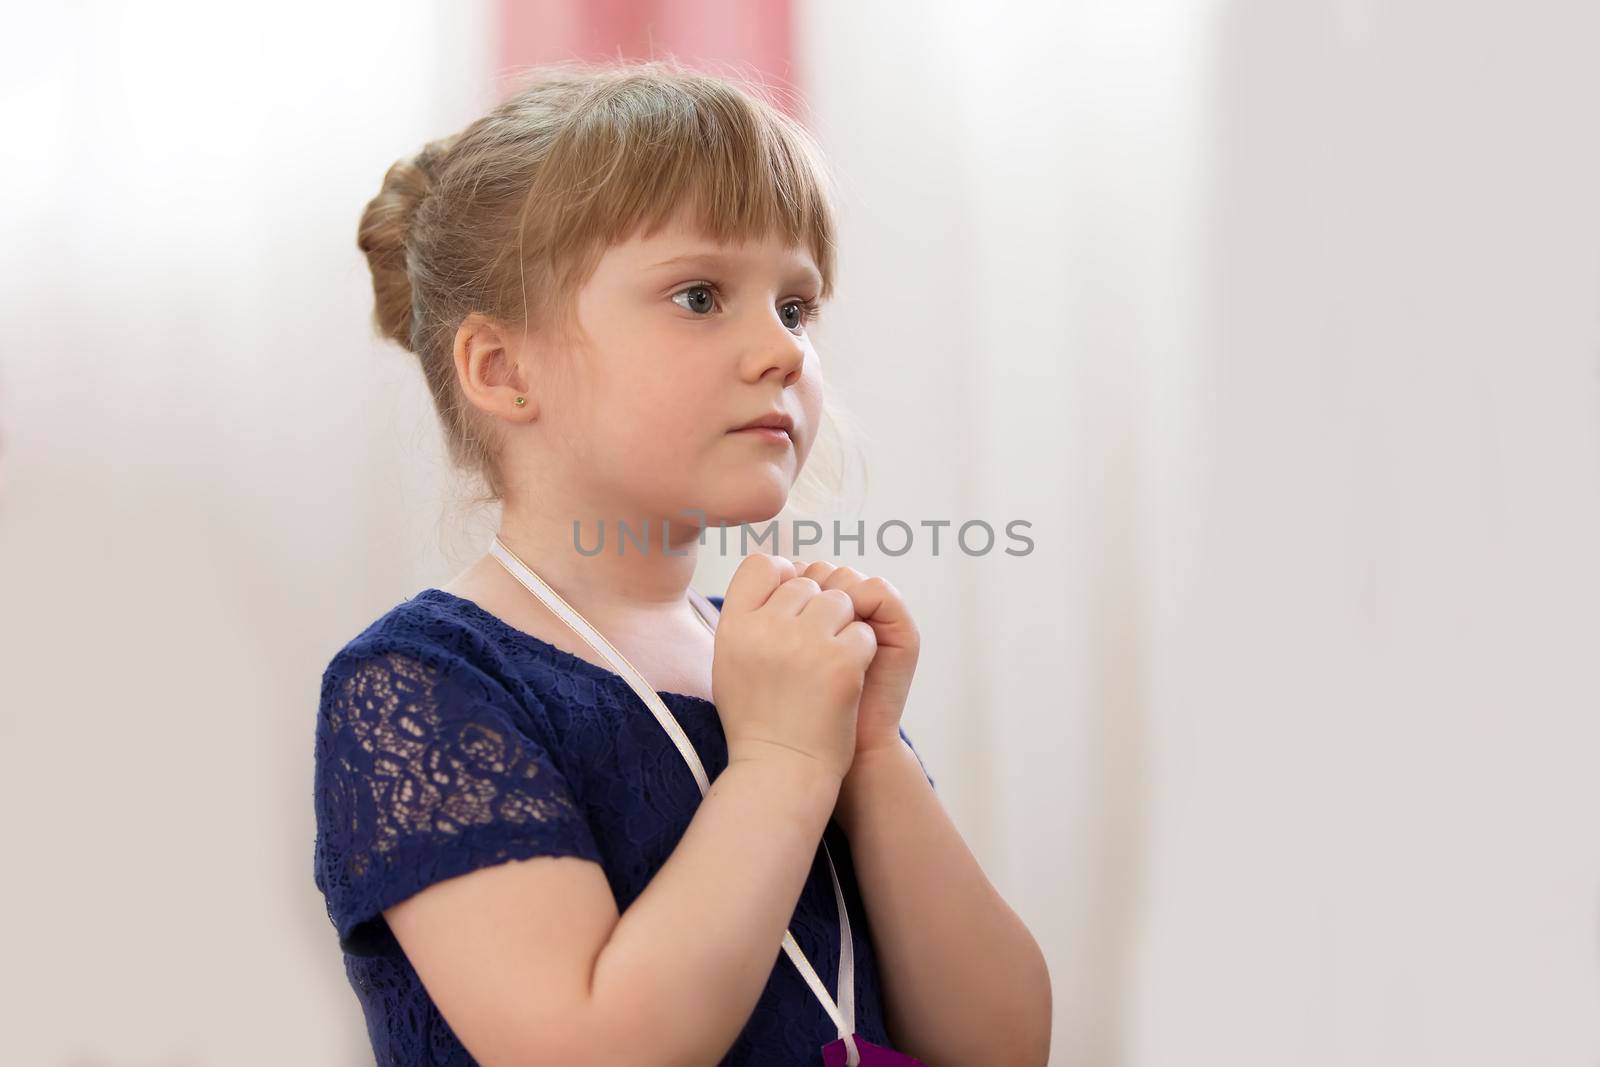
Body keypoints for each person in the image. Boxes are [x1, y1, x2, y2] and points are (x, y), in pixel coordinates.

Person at [312, 58, 1050, 1066]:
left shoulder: (777, 655)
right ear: (503, 368)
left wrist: (869, 755)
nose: (782, 349)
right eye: (701, 295)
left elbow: (1001, 1045)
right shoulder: (422, 683)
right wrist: (786, 764)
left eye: (797, 307)